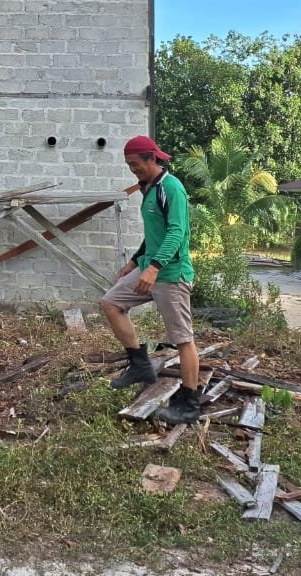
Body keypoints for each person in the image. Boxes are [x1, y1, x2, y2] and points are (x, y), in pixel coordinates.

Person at [99, 136, 201, 425]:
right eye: (129, 165)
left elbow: (176, 233)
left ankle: (190, 403)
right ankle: (140, 364)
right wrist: (135, 260)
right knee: (111, 303)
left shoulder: (172, 188)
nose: (133, 170)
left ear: (152, 159)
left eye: (135, 164)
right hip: (148, 268)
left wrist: (154, 267)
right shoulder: (149, 188)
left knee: (182, 339)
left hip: (170, 274)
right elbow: (155, 233)